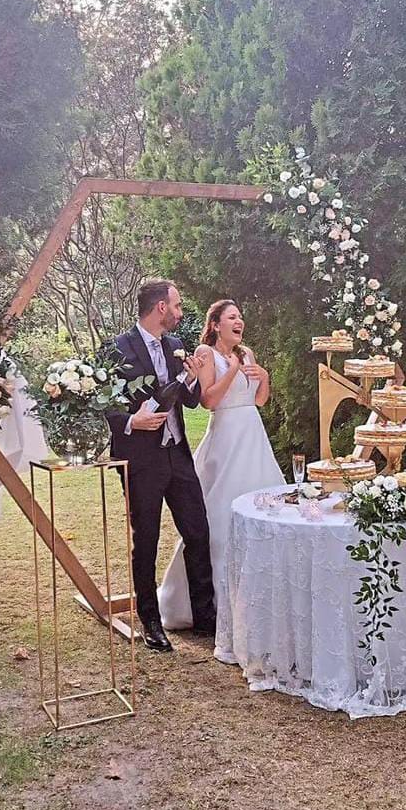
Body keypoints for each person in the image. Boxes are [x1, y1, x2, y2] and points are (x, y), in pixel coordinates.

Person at [158, 299, 285, 661]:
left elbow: (259, 400)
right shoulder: (206, 353)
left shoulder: (247, 352)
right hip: (226, 439)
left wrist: (264, 378)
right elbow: (209, 401)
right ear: (215, 325)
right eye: (232, 317)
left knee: (266, 515)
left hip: (253, 436)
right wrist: (233, 370)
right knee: (217, 522)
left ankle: (258, 604)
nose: (239, 321)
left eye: (240, 317)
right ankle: (208, 606)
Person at [106, 279, 216, 653]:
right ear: (160, 308)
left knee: (198, 532)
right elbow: (100, 403)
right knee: (147, 540)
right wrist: (130, 421)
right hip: (142, 461)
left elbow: (190, 400)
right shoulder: (117, 349)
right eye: (177, 305)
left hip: (178, 454)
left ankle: (205, 617)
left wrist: (192, 376)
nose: (181, 313)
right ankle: (151, 622)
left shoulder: (174, 345)